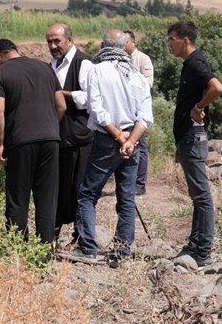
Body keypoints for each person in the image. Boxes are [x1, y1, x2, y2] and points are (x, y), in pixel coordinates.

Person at [61, 30, 153, 266]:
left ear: (103, 45)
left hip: (106, 140)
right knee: (126, 197)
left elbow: (97, 110)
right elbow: (145, 117)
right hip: (133, 141)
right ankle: (121, 251)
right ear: (125, 47)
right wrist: (131, 141)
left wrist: (119, 138)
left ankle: (88, 247)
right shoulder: (136, 75)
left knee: (88, 194)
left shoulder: (97, 70)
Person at [0, 39, 66, 245]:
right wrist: (48, 126)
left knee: (18, 198)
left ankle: (18, 249)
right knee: (47, 198)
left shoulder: (0, 74)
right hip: (51, 140)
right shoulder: (45, 68)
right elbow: (61, 106)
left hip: (20, 141)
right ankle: (45, 250)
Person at [167, 19, 222, 268]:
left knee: (201, 196)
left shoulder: (196, 62)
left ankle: (202, 252)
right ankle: (196, 245)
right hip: (189, 138)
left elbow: (217, 88)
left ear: (185, 40)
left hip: (193, 137)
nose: (169, 44)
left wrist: (199, 107)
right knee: (198, 195)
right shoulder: (190, 63)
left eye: (172, 39)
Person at [46, 23, 94, 248]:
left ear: (70, 40)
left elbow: (90, 98)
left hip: (79, 137)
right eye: (50, 41)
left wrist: (62, 95)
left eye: (57, 41)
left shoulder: (83, 63)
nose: (53, 46)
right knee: (57, 186)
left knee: (78, 188)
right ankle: (52, 233)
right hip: (57, 136)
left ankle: (80, 235)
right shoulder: (51, 65)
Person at [124, 30, 154, 195]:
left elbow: (148, 84)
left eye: (125, 41)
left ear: (132, 43)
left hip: (139, 110)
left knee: (140, 145)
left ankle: (140, 183)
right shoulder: (120, 59)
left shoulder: (143, 59)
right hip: (125, 110)